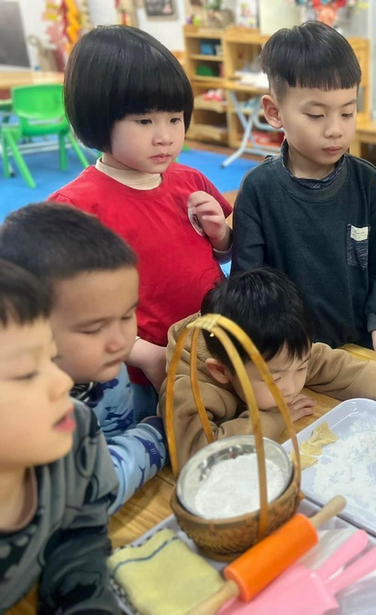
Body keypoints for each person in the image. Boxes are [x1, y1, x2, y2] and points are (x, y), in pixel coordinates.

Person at [50, 25, 233, 420]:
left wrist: (221, 234)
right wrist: (145, 355)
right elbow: (69, 311)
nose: (165, 137)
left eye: (175, 119)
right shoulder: (75, 210)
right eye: (145, 121)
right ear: (97, 121)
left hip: (211, 349)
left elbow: (222, 253)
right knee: (160, 445)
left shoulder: (190, 180)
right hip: (139, 371)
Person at [161, 268, 376, 467]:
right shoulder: (189, 385)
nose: (292, 386)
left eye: (300, 368)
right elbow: (197, 456)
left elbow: (351, 372)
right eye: (275, 379)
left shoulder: (282, 353)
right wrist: (273, 417)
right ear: (222, 371)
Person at [230, 21, 376, 368]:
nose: (336, 129)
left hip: (358, 349)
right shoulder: (258, 190)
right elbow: (248, 285)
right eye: (316, 115)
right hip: (285, 355)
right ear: (274, 112)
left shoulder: (368, 184)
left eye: (347, 112)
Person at [0, 203, 167, 514]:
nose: (120, 341)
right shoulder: (26, 413)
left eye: (127, 315)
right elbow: (90, 491)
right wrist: (157, 433)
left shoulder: (99, 356)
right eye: (93, 329)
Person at [0, 261, 118, 613]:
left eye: (51, 357)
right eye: (26, 373)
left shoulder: (75, 433)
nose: (64, 382)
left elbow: (79, 541)